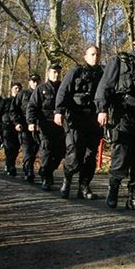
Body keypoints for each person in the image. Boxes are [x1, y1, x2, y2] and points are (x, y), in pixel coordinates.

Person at [95, 31, 135, 211]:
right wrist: (102, 109)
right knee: (122, 154)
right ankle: (113, 188)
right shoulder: (120, 61)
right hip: (123, 113)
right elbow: (105, 85)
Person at [55, 46, 104, 200]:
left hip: (93, 119)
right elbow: (63, 90)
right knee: (75, 152)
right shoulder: (75, 71)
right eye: (92, 54)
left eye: (97, 55)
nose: (95, 57)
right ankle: (67, 181)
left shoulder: (103, 74)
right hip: (76, 118)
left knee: (90, 155)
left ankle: (84, 186)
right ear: (85, 56)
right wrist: (59, 111)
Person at [27, 63, 65, 191]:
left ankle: (47, 171)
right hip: (45, 125)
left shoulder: (63, 89)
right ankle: (46, 178)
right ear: (48, 73)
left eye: (58, 72)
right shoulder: (41, 89)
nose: (56, 74)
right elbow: (32, 106)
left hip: (60, 127)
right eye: (54, 72)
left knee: (60, 152)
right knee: (46, 152)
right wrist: (31, 122)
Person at [12, 74, 41, 183]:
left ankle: (39, 170)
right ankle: (29, 171)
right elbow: (14, 110)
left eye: (37, 81)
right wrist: (17, 122)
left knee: (36, 150)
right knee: (27, 149)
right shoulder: (22, 94)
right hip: (25, 126)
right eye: (33, 81)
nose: (35, 83)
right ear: (29, 82)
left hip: (39, 127)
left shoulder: (43, 93)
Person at [2, 82, 22, 176]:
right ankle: (10, 166)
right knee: (9, 147)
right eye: (15, 88)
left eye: (19, 88)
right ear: (11, 89)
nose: (17, 90)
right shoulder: (6, 101)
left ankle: (10, 163)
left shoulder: (23, 101)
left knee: (16, 148)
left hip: (18, 127)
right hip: (7, 127)